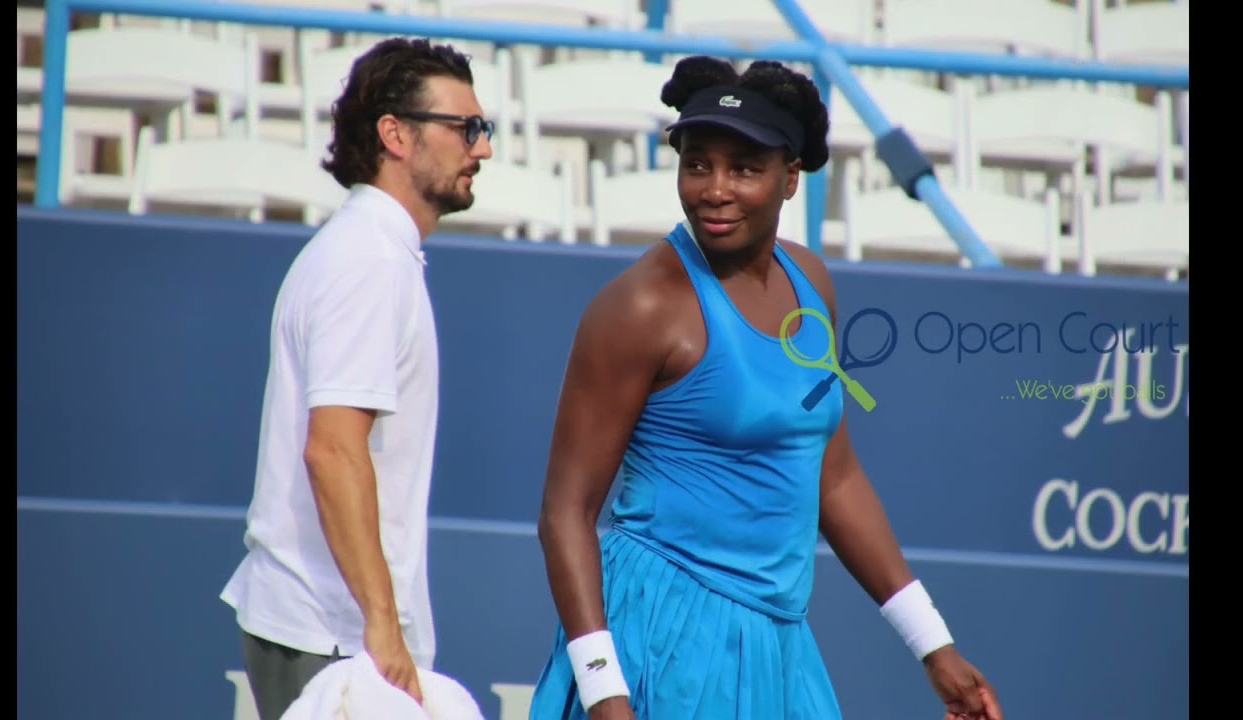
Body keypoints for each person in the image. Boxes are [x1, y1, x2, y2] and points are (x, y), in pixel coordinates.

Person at [527, 56, 1003, 720]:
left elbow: (833, 477)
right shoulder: (639, 308)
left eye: (745, 169)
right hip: (658, 644)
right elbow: (564, 515)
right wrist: (606, 693)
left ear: (791, 178)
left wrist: (934, 645)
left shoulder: (811, 283)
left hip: (779, 646)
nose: (714, 189)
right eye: (697, 164)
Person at [218, 37, 494, 720]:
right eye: (465, 128)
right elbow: (333, 449)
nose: (481, 149)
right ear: (395, 135)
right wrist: (381, 625)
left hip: (332, 630)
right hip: (335, 636)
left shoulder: (372, 251)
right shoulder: (370, 261)